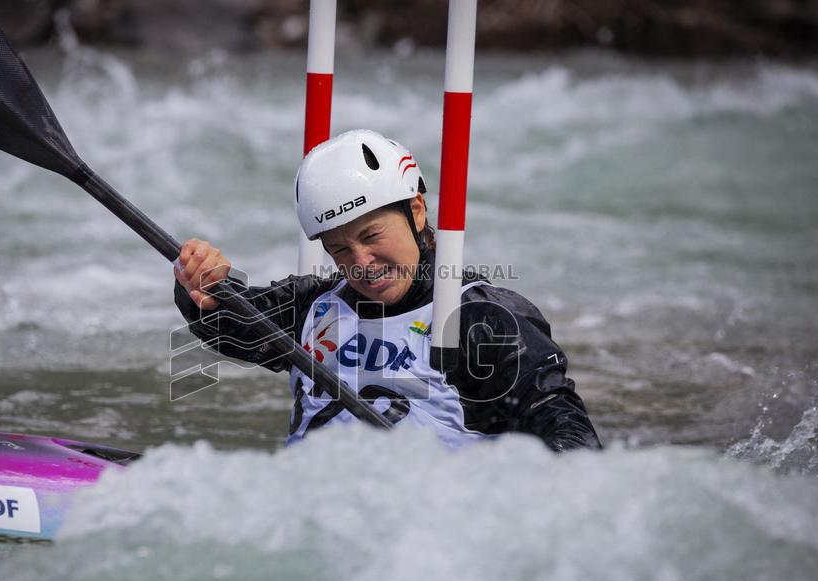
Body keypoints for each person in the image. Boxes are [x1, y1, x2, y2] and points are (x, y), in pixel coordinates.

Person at [174, 129, 600, 452]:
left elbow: (571, 441)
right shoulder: (311, 307)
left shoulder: (484, 320)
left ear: (416, 211)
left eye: (372, 236)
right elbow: (223, 321)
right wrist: (203, 282)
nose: (361, 262)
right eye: (340, 249)